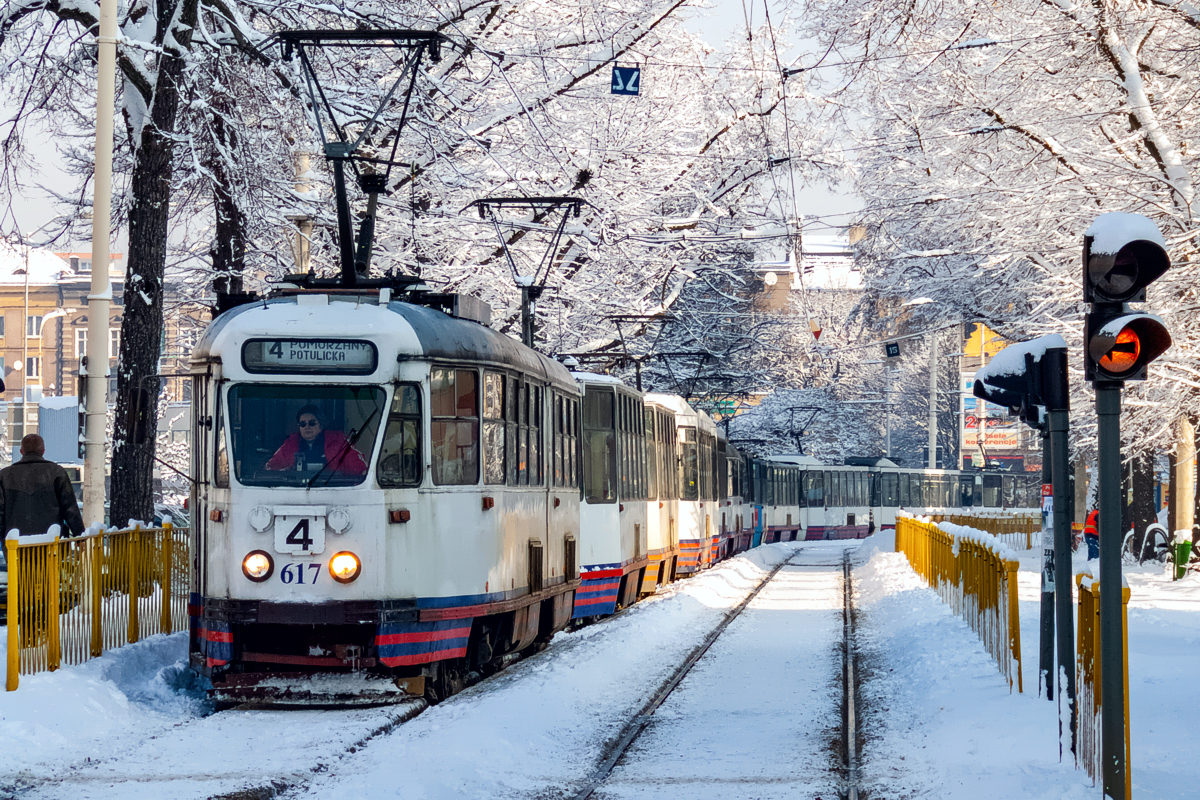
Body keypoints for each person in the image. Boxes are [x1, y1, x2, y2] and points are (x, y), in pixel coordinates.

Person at [0, 433, 85, 537]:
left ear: (21, 451)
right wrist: (80, 535)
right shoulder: (57, 472)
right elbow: (70, 508)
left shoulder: (4, 476)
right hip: (51, 542)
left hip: (15, 543)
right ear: (43, 451)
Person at [265, 405, 368, 476]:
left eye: (312, 423)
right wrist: (287, 471)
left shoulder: (339, 444)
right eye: (303, 424)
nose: (307, 427)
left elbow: (360, 468)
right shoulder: (289, 446)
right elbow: (271, 468)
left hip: (331, 491)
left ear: (321, 425)